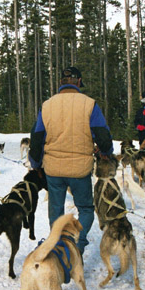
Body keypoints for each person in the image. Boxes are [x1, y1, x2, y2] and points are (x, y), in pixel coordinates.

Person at [29, 66, 114, 255]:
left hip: (53, 170)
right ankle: (77, 244)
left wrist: (35, 164)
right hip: (80, 169)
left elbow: (36, 138)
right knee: (85, 208)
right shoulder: (90, 104)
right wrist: (106, 151)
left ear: (61, 82)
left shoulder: (47, 105)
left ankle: (58, 245)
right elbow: (103, 136)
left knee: (56, 210)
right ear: (78, 82)